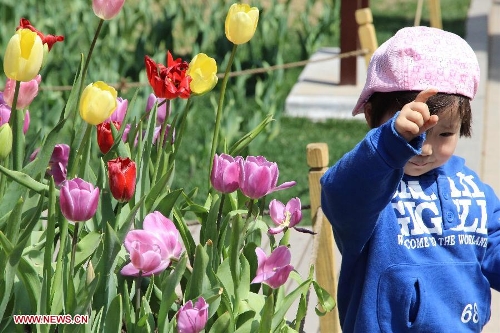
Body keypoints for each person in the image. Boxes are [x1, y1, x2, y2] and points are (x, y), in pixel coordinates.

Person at [320, 26, 500, 332]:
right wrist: (391, 144)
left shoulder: (472, 187)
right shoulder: (371, 187)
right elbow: (340, 194)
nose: (426, 148)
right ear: (371, 116)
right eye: (413, 134)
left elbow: (493, 244)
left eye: (445, 133)